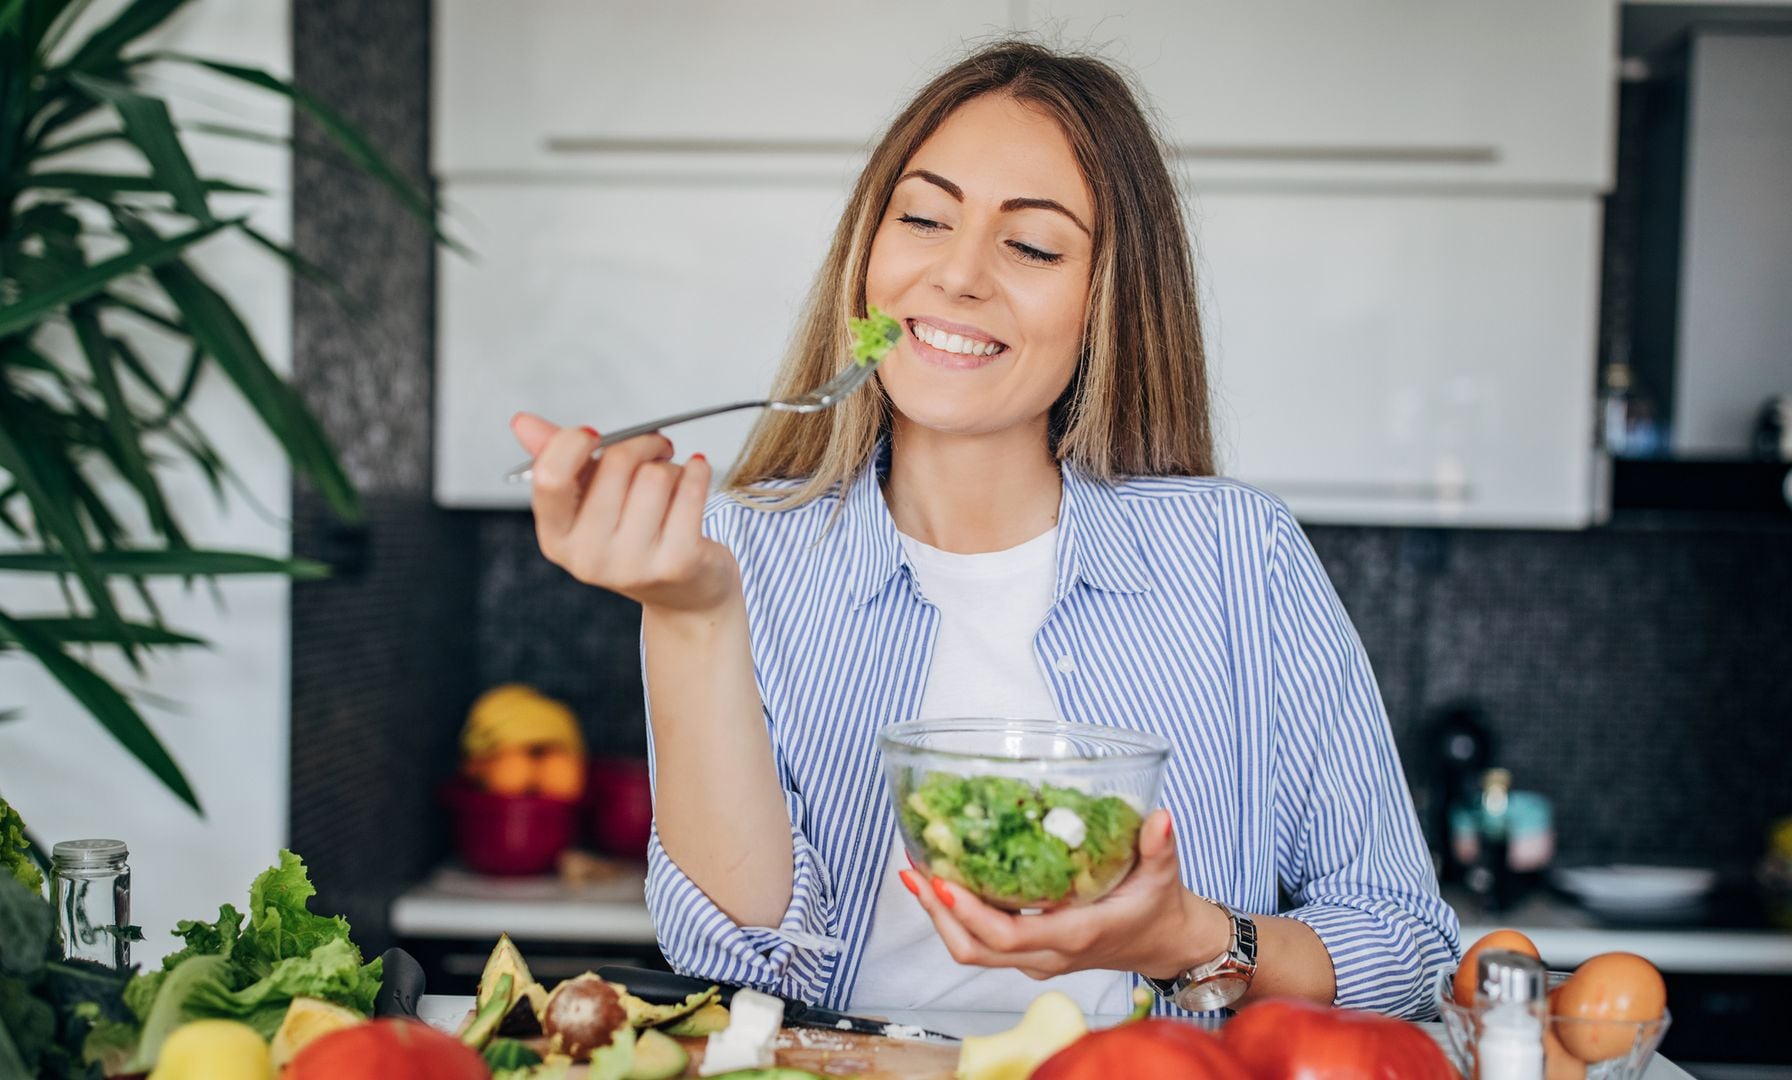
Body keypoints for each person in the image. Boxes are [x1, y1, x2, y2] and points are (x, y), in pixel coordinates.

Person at [510, 40, 1458, 1019]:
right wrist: (693, 617)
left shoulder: (1238, 556)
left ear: (1106, 302)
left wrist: (1186, 936)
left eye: (1033, 245)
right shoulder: (736, 556)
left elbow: (1407, 945)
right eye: (922, 218)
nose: (957, 274)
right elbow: (743, 956)